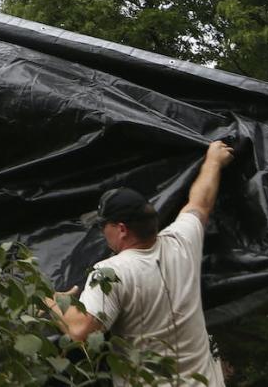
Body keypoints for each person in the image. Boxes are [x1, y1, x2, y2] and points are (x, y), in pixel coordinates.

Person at [45, 140, 234, 386]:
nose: (102, 233)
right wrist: (214, 161)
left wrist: (47, 298)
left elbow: (81, 332)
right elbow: (201, 202)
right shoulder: (182, 241)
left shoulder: (111, 272)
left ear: (121, 229)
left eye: (104, 226)